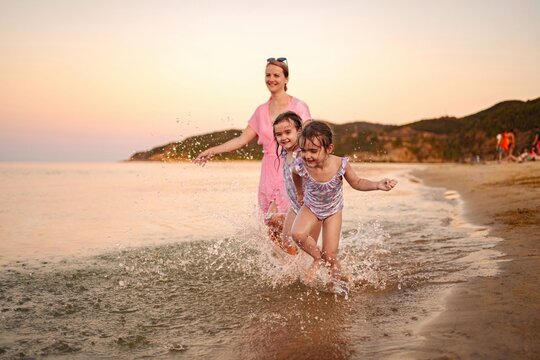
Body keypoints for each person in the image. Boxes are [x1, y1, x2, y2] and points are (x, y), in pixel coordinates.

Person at [194, 58, 311, 235]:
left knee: (280, 219)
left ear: (286, 79)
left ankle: (302, 255)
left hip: (292, 167)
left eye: (276, 75)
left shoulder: (299, 106)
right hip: (268, 174)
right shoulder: (260, 111)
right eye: (268, 75)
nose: (271, 79)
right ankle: (289, 261)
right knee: (271, 229)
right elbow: (241, 140)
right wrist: (212, 150)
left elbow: (310, 137)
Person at [291, 121, 397, 284]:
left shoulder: (340, 164)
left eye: (313, 151)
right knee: (297, 235)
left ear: (329, 149)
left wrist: (377, 185)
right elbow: (295, 174)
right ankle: (316, 257)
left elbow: (358, 182)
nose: (307, 156)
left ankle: (340, 284)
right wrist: (299, 192)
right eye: (303, 150)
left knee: (330, 255)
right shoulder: (301, 165)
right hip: (311, 206)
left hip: (333, 211)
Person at [271, 111, 320, 255]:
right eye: (279, 134)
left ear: (299, 131)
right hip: (295, 205)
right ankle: (296, 273)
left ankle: (326, 269)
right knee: (286, 243)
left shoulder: (303, 153)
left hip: (312, 208)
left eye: (288, 132)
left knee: (309, 246)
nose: (283, 137)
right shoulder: (286, 153)